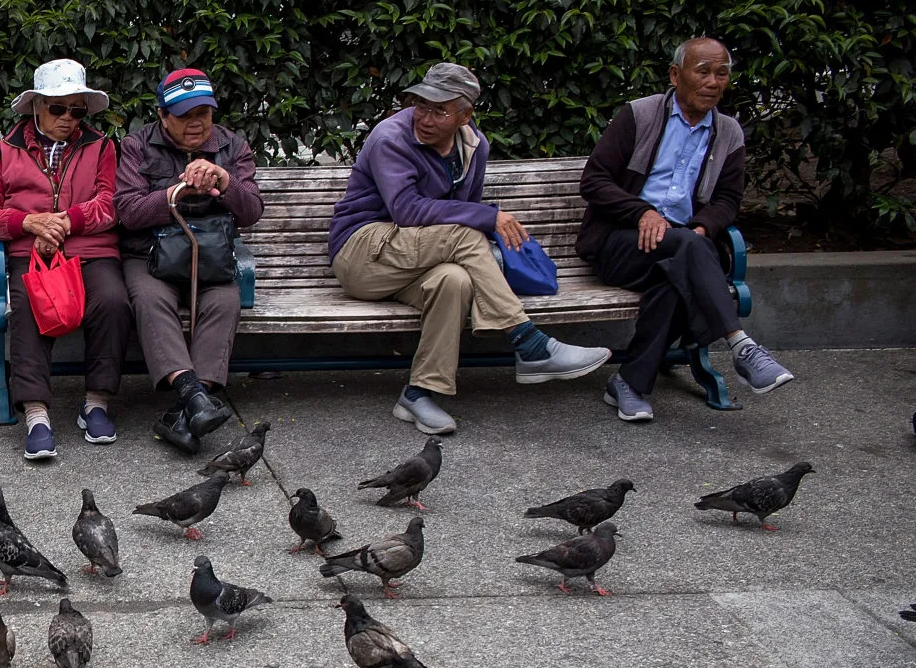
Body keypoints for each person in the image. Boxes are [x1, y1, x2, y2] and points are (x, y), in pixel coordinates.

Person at [325, 62, 611, 435]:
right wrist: (486, 216)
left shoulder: (474, 147)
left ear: (464, 115)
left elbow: (460, 214)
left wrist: (478, 216)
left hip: (415, 259)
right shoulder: (390, 138)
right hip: (363, 253)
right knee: (468, 234)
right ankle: (529, 343)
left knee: (454, 280)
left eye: (439, 110)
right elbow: (407, 210)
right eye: (421, 105)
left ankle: (419, 393)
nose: (424, 118)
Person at [578, 37, 793, 422]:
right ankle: (739, 344)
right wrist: (641, 212)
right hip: (622, 243)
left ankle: (629, 383)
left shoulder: (728, 134)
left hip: (680, 246)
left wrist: (702, 227)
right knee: (687, 252)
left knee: (677, 272)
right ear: (676, 75)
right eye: (703, 71)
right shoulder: (639, 115)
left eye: (722, 73)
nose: (713, 82)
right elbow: (594, 181)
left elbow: (727, 199)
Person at [0, 59, 132, 461]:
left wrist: (64, 223)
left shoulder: (101, 146)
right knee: (26, 306)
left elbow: (110, 203)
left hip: (91, 251)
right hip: (31, 253)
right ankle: (37, 415)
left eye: (77, 110)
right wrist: (28, 222)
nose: (68, 119)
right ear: (37, 106)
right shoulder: (6, 151)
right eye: (59, 109)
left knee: (113, 301)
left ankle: (96, 403)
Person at [114, 69, 264, 454]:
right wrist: (175, 191)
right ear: (163, 115)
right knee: (150, 299)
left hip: (212, 256)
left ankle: (186, 411)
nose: (196, 122)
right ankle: (193, 398)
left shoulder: (233, 146)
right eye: (183, 115)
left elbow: (251, 212)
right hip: (148, 254)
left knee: (225, 301)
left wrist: (224, 181)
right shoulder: (137, 145)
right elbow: (128, 212)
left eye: (204, 113)